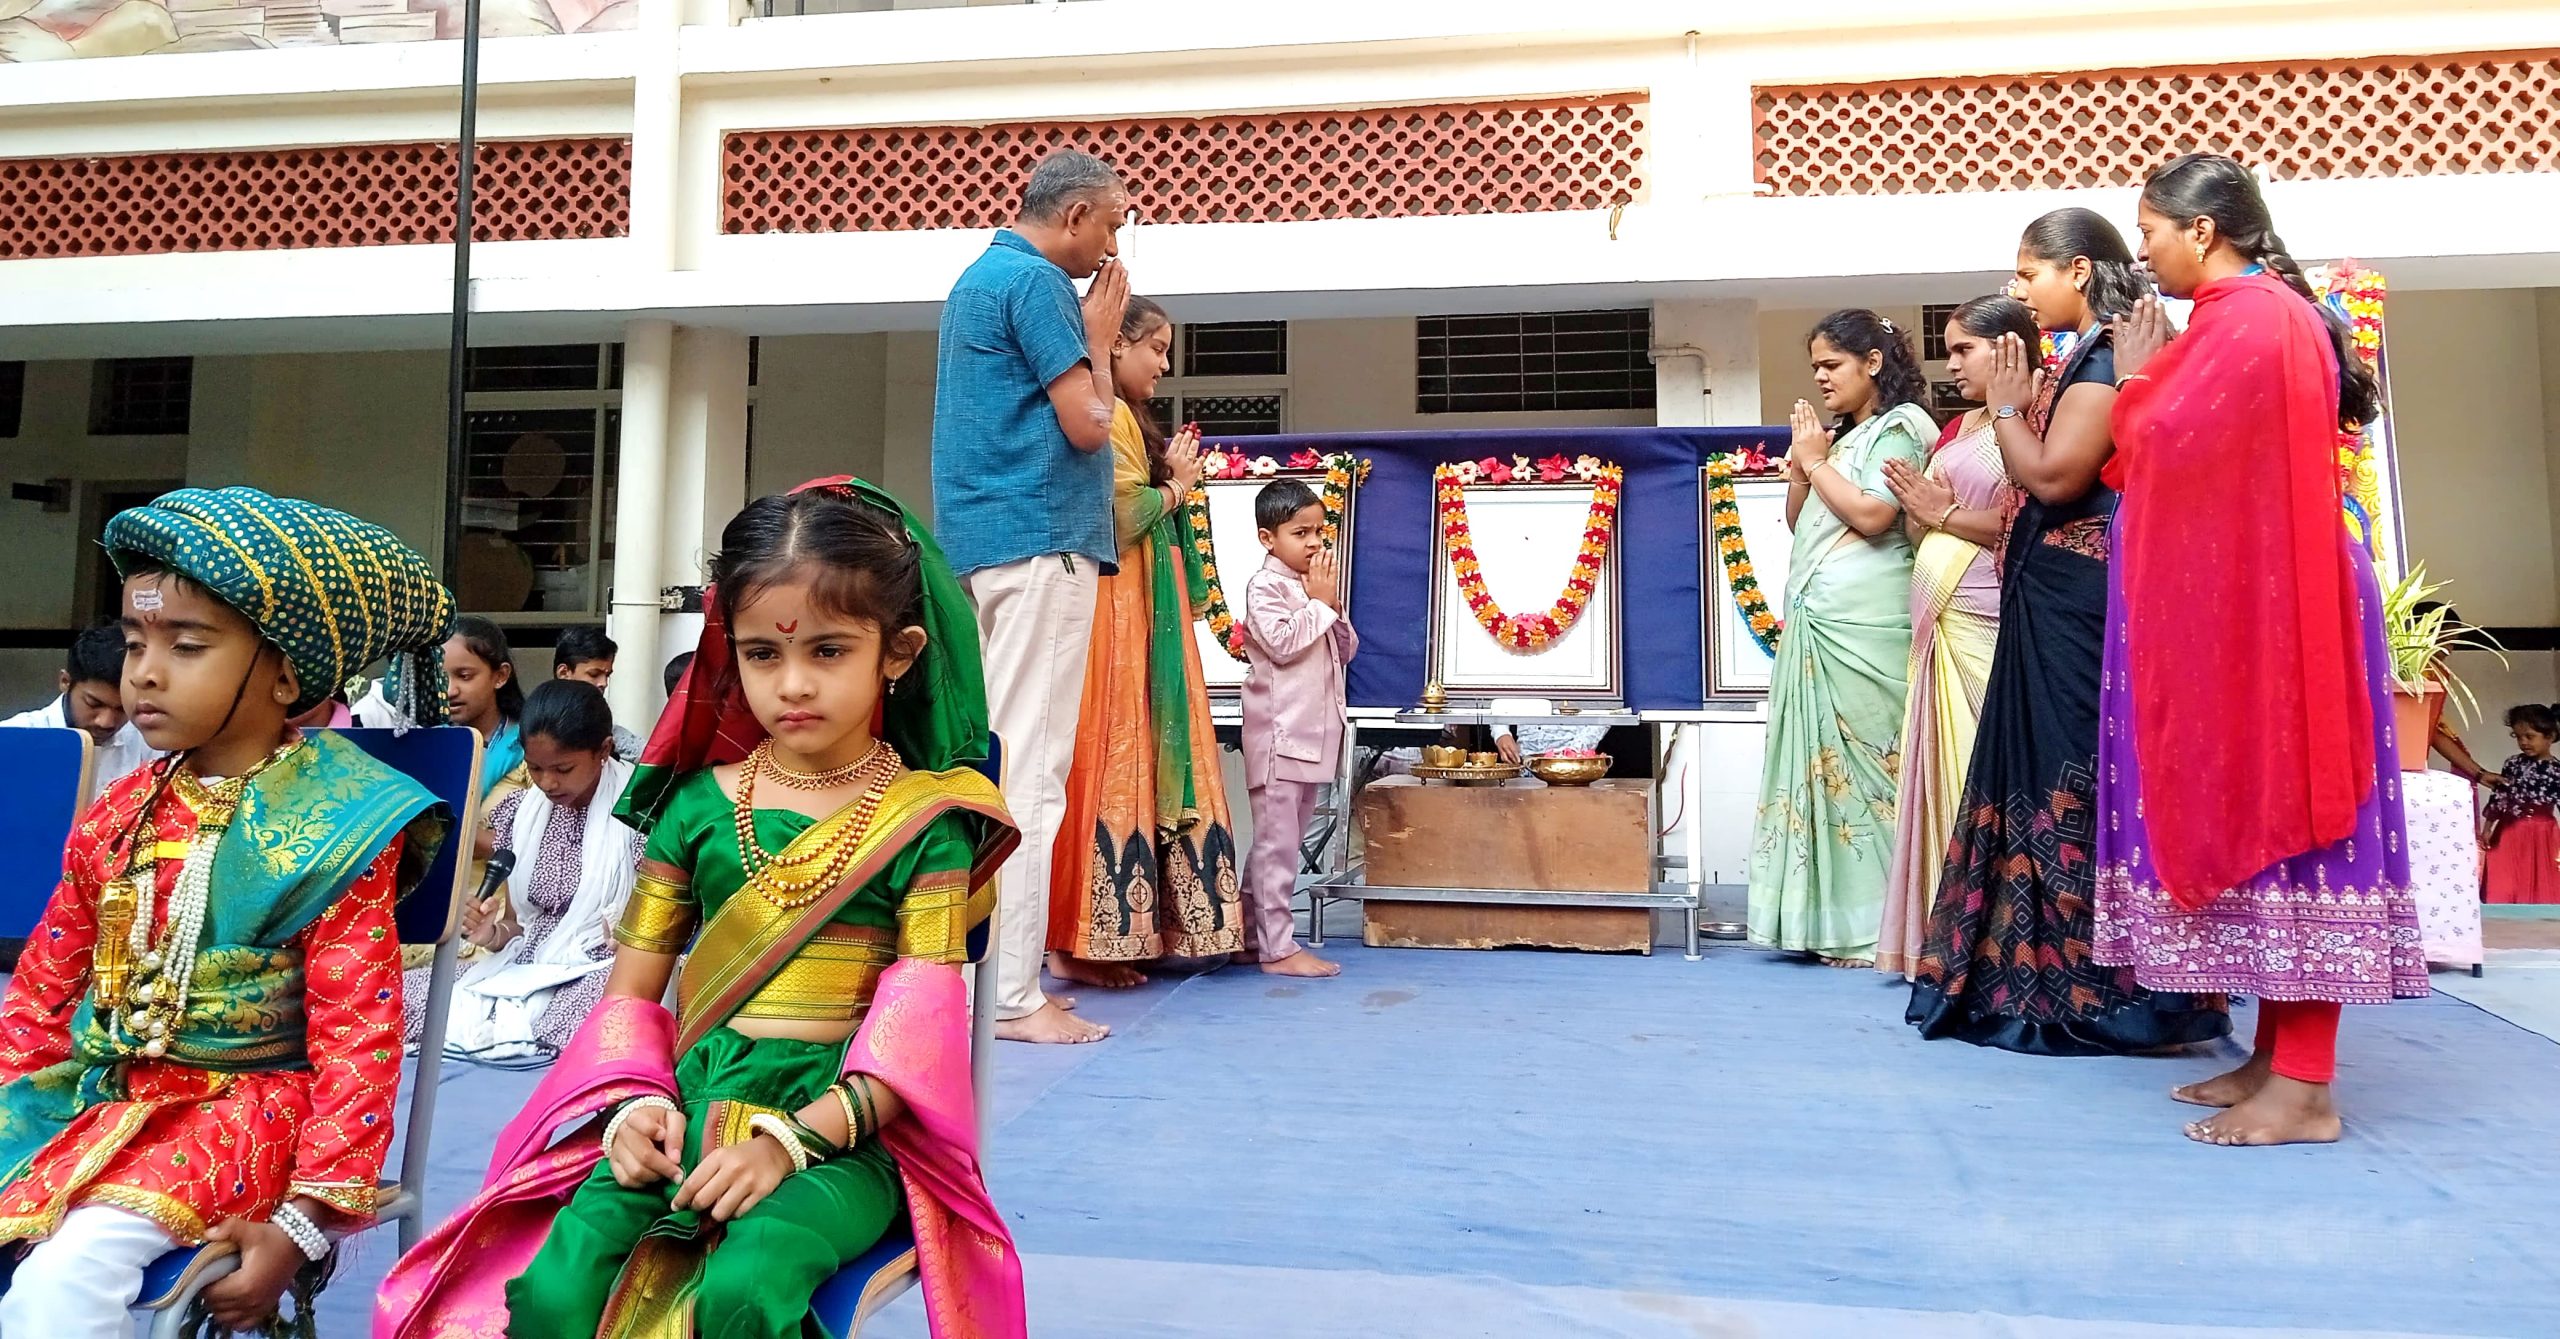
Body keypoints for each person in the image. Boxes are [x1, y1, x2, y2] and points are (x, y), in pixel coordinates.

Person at [377, 478, 1026, 1339]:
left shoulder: (926, 823)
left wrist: (784, 1145)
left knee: (746, 1291)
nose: (792, 684)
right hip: (684, 1102)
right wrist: (630, 1110)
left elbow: (917, 1043)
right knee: (554, 1291)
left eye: (828, 651)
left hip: (844, 1130)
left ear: (898, 652)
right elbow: (629, 1000)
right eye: (763, 654)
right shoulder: (693, 810)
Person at [0, 487, 455, 1338]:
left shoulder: (345, 821)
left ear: (287, 671)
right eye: (136, 643)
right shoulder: (117, 808)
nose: (144, 670)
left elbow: (360, 1036)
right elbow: (41, 989)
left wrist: (299, 1225)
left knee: (62, 1282)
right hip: (91, 1097)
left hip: (239, 1111)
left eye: (187, 645)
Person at [2097, 153, 2426, 1146]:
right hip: (2269, 595)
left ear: (2202, 230)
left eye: (2150, 230)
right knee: (2269, 808)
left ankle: (2309, 1087)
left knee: (2296, 814)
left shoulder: (2251, 320)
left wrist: (2139, 373)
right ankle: (2276, 1059)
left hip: (2284, 608)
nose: (2144, 250)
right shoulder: (2255, 316)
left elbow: (2162, 438)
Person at [1906, 209, 2228, 1055]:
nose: (2019, 291)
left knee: (2076, 785)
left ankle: (2103, 993)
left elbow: (2054, 478)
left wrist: (2010, 411)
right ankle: (2032, 979)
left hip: (2077, 604)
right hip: (2047, 596)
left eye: (2028, 273)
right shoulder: (2088, 353)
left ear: (2077, 270)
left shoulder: (2102, 356)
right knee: (2040, 775)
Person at [930, 149, 1130, 1045]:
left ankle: (988, 985)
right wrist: (1097, 339)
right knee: (1031, 774)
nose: (1112, 244)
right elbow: (1089, 424)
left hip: (984, 546)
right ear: (1077, 213)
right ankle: (1010, 997)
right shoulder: (1041, 282)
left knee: (994, 762)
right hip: (1042, 539)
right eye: (1112, 224)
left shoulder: (976, 278)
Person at [1046, 297, 1243, 988]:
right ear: (1118, 344)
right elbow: (1118, 512)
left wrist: (1173, 486)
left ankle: (1141, 929)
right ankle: (1084, 940)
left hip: (1136, 602)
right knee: (1113, 748)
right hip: (1115, 608)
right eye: (1155, 347)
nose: (1165, 363)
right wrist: (1177, 489)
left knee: (1132, 746)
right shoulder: (1111, 417)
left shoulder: (1124, 416)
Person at [1746, 310, 1936, 968]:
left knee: (1872, 774)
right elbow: (1801, 521)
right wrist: (1804, 469)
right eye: (1816, 367)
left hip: (1867, 626)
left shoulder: (1903, 427)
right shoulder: (1844, 437)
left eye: (1833, 365)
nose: (1822, 378)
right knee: (1822, 776)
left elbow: (1876, 515)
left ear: (1873, 363)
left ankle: (1877, 931)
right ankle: (1823, 922)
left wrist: (1818, 461)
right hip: (1818, 620)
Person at [1871, 295, 2032, 978]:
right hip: (1940, 621)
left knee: (1977, 775)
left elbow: (2026, 525)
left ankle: (1994, 938)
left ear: (2008, 349)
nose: (1951, 361)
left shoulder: (2030, 420)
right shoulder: (1957, 426)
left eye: (1965, 347)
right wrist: (1924, 512)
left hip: (1991, 622)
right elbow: (1924, 523)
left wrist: (1943, 511)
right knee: (1937, 775)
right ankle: (1943, 935)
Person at [404, 679, 640, 1062]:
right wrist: (491, 933)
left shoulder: (642, 813)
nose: (547, 783)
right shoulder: (520, 813)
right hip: (524, 965)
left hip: (601, 968)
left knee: (607, 1014)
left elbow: (669, 928)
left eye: (563, 769)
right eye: (535, 769)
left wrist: (631, 936)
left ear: (604, 751)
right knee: (402, 994)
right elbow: (519, 927)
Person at [1238, 477, 1355, 979]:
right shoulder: (1264, 587)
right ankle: (1279, 949)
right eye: (1300, 532)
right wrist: (1321, 604)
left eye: (1319, 532)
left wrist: (1329, 604)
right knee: (1278, 846)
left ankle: (1246, 933)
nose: (1313, 543)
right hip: (1280, 736)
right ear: (1269, 539)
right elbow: (1284, 644)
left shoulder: (1312, 589)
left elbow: (1344, 650)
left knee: (1276, 842)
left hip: (1313, 734)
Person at [1, 622, 161, 800]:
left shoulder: (149, 744)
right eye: (93, 704)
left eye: (122, 708)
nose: (106, 721)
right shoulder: (12, 738)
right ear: (65, 681)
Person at [2480, 704, 2560, 904]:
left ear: (2549, 737)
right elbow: (2500, 796)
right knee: (2504, 881)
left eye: (2530, 736)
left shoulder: (2557, 770)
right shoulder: (2512, 764)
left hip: (2543, 834)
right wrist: (2488, 827)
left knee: (2541, 881)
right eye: (2518, 736)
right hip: (2509, 831)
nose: (2523, 742)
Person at [554, 625, 644, 759]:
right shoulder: (534, 723)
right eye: (594, 674)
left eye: (607, 676)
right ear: (564, 673)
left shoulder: (610, 731)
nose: (604, 683)